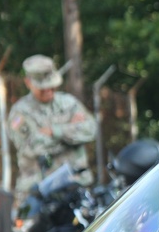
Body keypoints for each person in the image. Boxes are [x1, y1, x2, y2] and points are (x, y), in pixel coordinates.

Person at [8, 54, 97, 207]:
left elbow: (91, 129)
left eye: (52, 85)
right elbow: (32, 148)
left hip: (75, 184)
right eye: (42, 87)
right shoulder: (19, 113)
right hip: (38, 191)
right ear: (28, 82)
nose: (49, 90)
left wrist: (55, 131)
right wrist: (72, 135)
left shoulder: (68, 103)